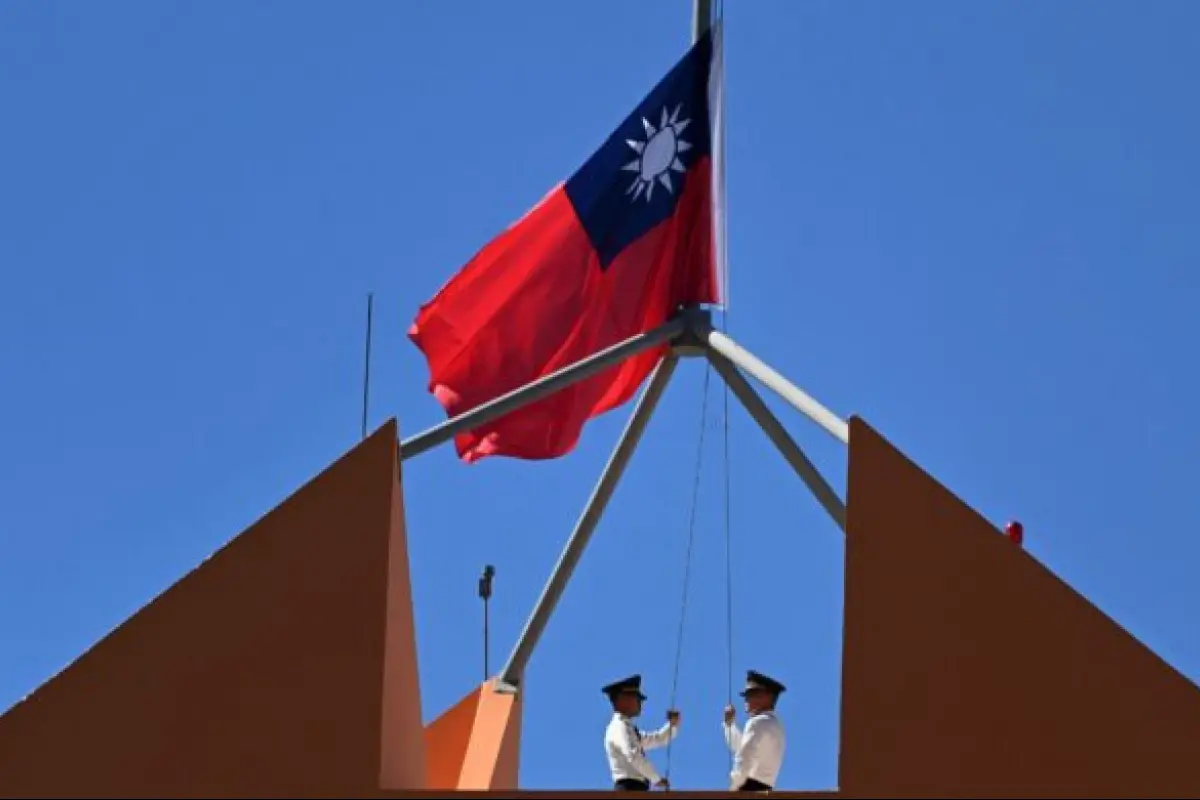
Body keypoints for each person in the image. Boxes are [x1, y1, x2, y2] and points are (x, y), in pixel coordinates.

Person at [602, 674, 681, 791]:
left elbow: (658, 739)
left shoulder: (628, 728)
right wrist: (656, 779)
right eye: (636, 698)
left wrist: (672, 725)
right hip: (629, 789)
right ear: (622, 699)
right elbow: (633, 755)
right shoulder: (619, 727)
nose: (640, 703)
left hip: (637, 789)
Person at [722, 669, 787, 792]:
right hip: (766, 789)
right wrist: (729, 725)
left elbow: (743, 758)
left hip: (748, 789)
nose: (746, 699)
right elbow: (744, 748)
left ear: (766, 697)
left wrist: (734, 788)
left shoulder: (757, 722)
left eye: (752, 694)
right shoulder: (775, 724)